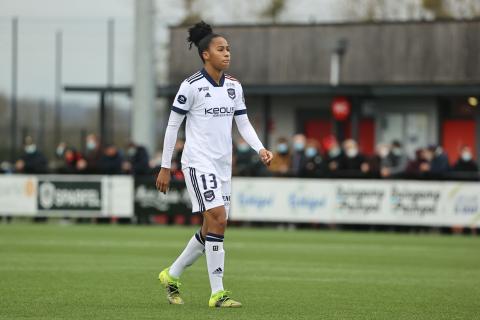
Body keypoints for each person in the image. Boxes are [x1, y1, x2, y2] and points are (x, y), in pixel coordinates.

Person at [155, 21, 273, 308]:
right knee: (218, 218)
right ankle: (218, 293)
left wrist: (260, 148)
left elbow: (242, 122)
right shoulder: (191, 86)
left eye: (228, 49)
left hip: (223, 166)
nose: (227, 53)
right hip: (198, 162)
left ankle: (172, 274)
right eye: (221, 49)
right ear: (205, 54)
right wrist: (165, 166)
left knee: (213, 227)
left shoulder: (234, 86)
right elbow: (173, 126)